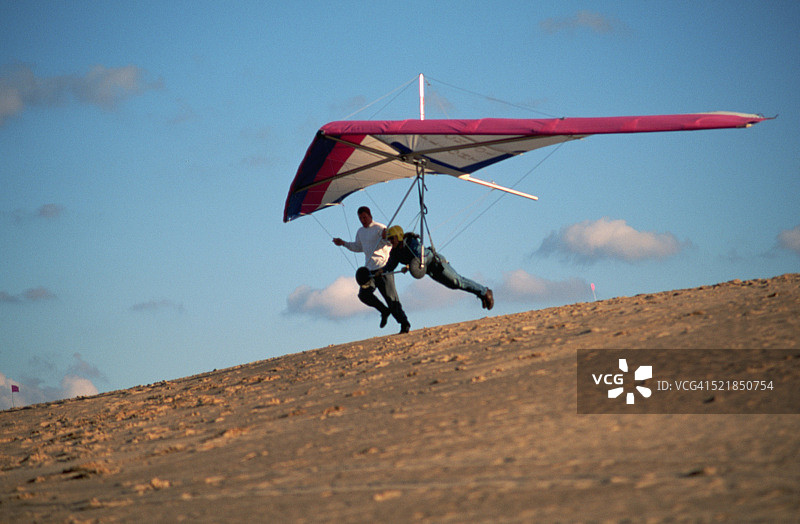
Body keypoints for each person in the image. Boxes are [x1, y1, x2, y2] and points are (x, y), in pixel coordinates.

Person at [333, 207, 411, 334]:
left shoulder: (380, 228)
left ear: (370, 215)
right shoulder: (360, 231)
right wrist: (343, 243)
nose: (362, 220)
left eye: (364, 217)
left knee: (391, 298)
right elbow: (358, 247)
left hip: (383, 268)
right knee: (364, 295)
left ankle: (404, 324)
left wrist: (386, 236)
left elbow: (392, 242)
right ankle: (384, 311)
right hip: (369, 270)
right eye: (360, 218)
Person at [382, 225, 494, 310]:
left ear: (399, 236)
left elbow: (423, 255)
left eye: (392, 238)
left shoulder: (411, 242)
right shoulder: (395, 252)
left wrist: (409, 265)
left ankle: (484, 292)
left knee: (457, 281)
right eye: (389, 239)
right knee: (453, 286)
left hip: (436, 263)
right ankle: (480, 293)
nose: (391, 241)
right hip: (429, 270)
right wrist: (378, 272)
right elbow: (389, 266)